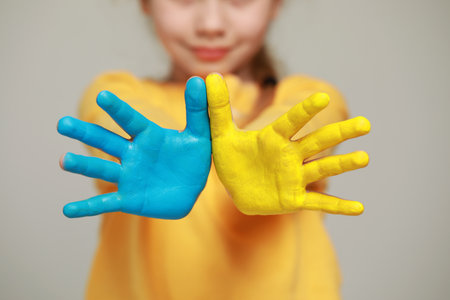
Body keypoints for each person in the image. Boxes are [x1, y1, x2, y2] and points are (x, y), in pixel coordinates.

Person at [58, 0, 371, 299]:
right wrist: (163, 141)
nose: (210, 25)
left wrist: (262, 143)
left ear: (276, 3)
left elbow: (303, 118)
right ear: (145, 2)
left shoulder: (307, 96)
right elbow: (114, 116)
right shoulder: (117, 92)